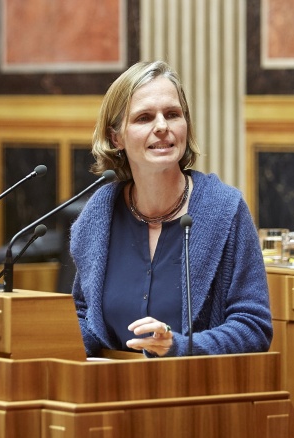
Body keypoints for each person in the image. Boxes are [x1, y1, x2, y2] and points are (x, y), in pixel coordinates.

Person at [69, 61, 273, 358]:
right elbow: (84, 315)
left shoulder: (224, 210)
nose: (162, 127)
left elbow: (253, 327)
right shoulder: (100, 214)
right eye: (144, 118)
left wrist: (179, 346)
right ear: (117, 138)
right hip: (108, 392)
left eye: (173, 114)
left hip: (196, 393)